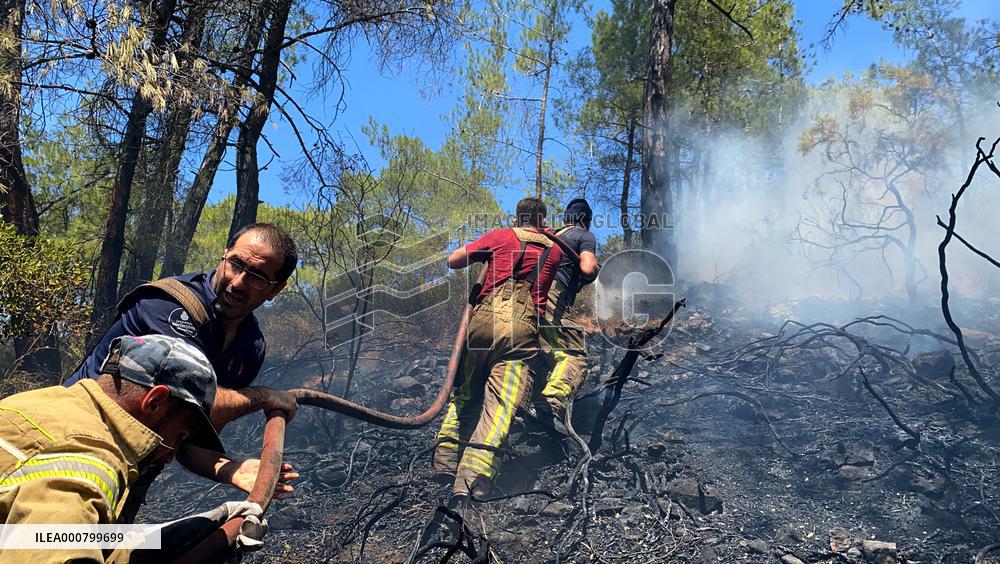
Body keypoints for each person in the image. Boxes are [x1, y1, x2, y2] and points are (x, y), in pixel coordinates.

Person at [64, 222, 300, 522]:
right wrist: (264, 397)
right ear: (224, 255)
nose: (238, 282)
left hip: (131, 476)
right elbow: (193, 404)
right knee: (39, 544)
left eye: (256, 276)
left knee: (111, 550)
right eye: (236, 264)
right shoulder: (169, 307)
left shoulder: (249, 347)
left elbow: (189, 436)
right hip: (74, 448)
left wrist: (233, 469)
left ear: (275, 290)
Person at [0, 334, 262, 562]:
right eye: (180, 435)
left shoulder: (41, 404)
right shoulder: (88, 464)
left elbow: (47, 535)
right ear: (155, 402)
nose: (171, 455)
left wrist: (164, 539)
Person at [432, 197, 564, 502]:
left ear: (517, 218)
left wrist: (488, 249)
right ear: (543, 220)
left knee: (465, 394)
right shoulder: (554, 249)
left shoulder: (500, 236)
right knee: (501, 406)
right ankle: (471, 480)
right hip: (520, 331)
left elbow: (453, 260)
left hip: (480, 326)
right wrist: (548, 234)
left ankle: (444, 461)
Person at [535, 198, 600, 424]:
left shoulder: (551, 236)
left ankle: (525, 410)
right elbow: (587, 268)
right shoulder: (584, 236)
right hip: (554, 294)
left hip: (523, 299)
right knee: (574, 356)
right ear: (586, 221)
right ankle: (552, 404)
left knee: (539, 357)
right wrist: (593, 269)